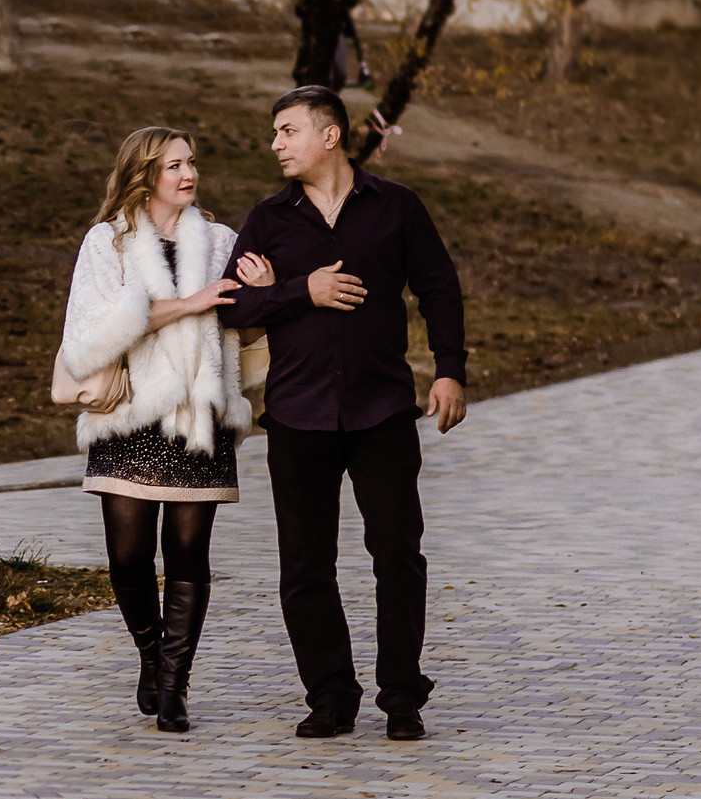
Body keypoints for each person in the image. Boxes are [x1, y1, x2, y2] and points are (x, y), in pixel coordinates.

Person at [219, 86, 468, 742]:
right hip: (297, 416)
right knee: (304, 566)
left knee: (398, 553)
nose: (275, 143)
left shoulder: (396, 207)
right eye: (275, 132)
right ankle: (330, 695)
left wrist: (449, 369)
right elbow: (234, 307)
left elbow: (439, 285)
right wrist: (302, 289)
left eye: (287, 130)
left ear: (329, 135)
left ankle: (401, 695)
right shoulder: (269, 220)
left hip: (381, 408)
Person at [56, 127, 270, 733]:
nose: (188, 172)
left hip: (198, 421)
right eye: (174, 164)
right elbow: (90, 336)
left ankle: (174, 686)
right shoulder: (109, 243)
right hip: (128, 419)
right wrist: (190, 303)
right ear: (143, 173)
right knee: (126, 558)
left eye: (192, 162)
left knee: (186, 554)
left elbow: (247, 337)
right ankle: (151, 654)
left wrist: (260, 297)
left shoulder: (222, 239)